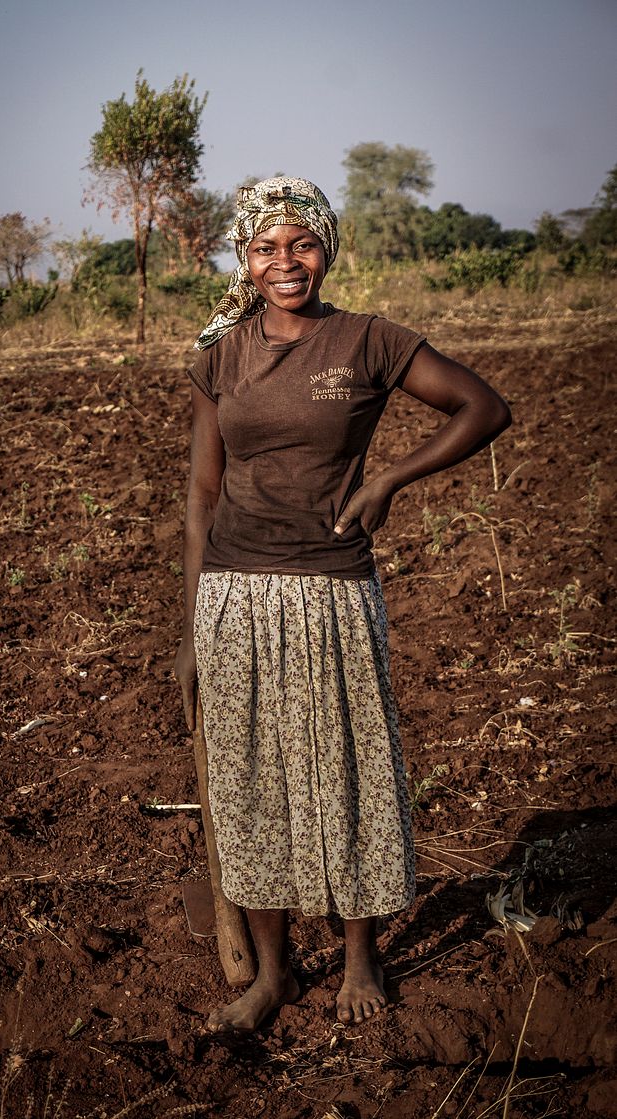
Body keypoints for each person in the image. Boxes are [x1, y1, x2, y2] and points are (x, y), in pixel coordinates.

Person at [174, 176, 511, 1034]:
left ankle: (362, 957)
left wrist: (393, 475)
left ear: (327, 247)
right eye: (265, 247)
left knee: (348, 772)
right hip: (235, 597)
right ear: (244, 259)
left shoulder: (368, 341)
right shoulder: (219, 355)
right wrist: (191, 627)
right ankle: (274, 975)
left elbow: (484, 406)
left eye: (302, 244)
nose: (285, 262)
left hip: (332, 591)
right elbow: (202, 495)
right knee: (253, 785)